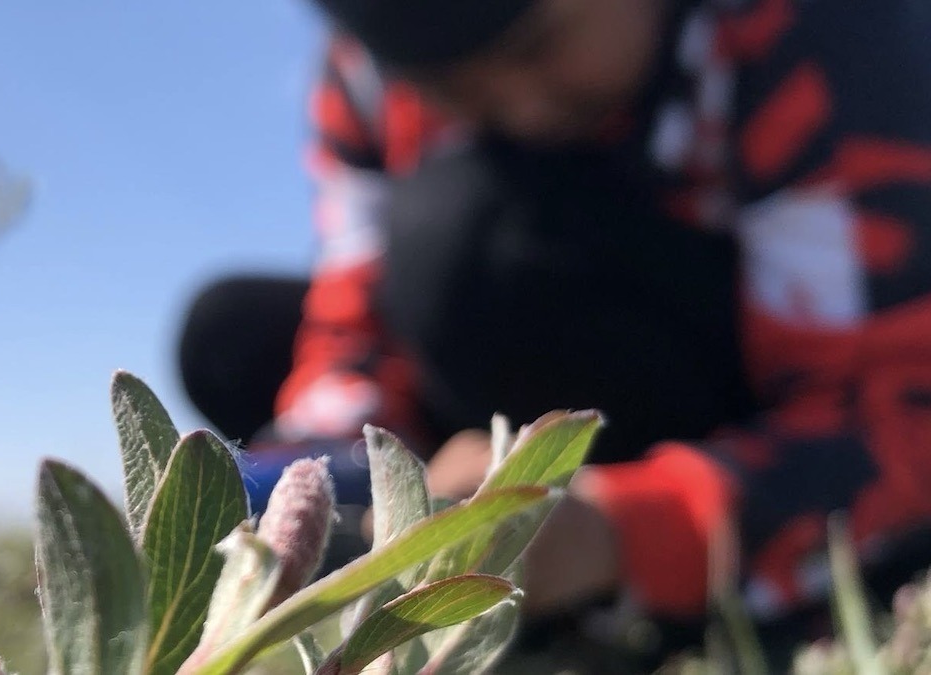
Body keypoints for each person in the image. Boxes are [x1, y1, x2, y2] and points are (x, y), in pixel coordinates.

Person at [179, 0, 931, 630]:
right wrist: (308, 486)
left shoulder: (827, 33)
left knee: (465, 242)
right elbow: (353, 327)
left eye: (541, 45)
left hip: (751, 386)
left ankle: (599, 544)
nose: (521, 108)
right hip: (520, 335)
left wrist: (615, 533)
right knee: (230, 338)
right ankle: (451, 509)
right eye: (450, 89)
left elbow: (900, 411)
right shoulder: (365, 77)